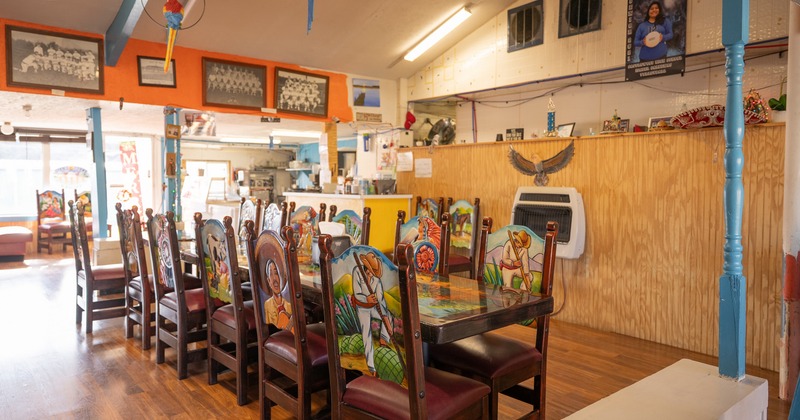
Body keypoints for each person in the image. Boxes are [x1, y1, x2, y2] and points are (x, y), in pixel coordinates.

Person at [351, 251, 393, 376]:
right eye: (369, 272)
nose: (371, 275)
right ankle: (371, 367)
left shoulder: (377, 280)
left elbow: (381, 300)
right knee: (366, 333)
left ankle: (383, 342)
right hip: (362, 307)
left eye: (373, 273)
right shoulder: (357, 272)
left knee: (389, 316)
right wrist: (366, 299)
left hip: (373, 307)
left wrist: (385, 320)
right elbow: (357, 293)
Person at [263, 259, 292, 331]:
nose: (274, 279)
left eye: (276, 273)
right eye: (271, 274)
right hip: (275, 336)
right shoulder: (267, 305)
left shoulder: (289, 305)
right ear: (268, 281)